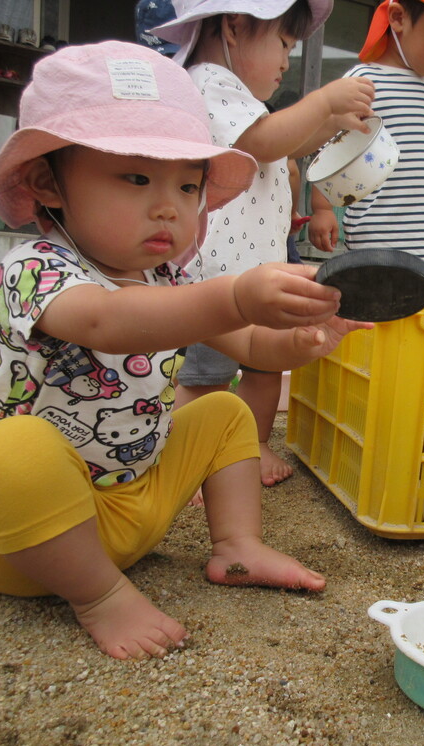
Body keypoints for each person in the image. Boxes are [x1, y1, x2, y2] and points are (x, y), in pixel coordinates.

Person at [0, 41, 370, 661]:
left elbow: (251, 344)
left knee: (225, 414)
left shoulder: (168, 281)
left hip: (134, 503)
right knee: (15, 448)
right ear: (47, 183)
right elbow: (108, 320)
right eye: (137, 177)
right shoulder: (34, 269)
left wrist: (305, 341)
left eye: (190, 184)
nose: (170, 205)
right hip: (24, 538)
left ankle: (237, 545)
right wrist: (235, 296)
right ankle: (97, 597)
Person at [153, 0, 375, 487]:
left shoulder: (241, 98)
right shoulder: (204, 84)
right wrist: (322, 103)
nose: (285, 62)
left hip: (257, 267)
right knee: (206, 376)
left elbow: (287, 142)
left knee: (263, 367)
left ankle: (248, 444)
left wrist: (334, 122)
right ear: (233, 26)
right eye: (283, 44)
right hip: (216, 276)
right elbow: (264, 141)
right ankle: (189, 459)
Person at [307, 0, 424, 289]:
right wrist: (321, 208)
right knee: (376, 328)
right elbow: (331, 150)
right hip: (377, 249)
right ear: (398, 18)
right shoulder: (362, 83)